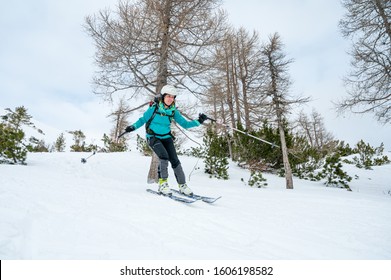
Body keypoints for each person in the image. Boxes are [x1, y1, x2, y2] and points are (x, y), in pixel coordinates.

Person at [125, 85, 208, 196]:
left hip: (166, 137)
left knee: (175, 160)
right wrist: (132, 127)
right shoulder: (154, 108)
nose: (170, 99)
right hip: (153, 137)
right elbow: (142, 119)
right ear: (163, 97)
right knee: (163, 157)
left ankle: (182, 185)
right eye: (168, 96)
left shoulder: (173, 111)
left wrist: (199, 121)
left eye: (173, 97)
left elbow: (185, 124)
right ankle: (163, 184)